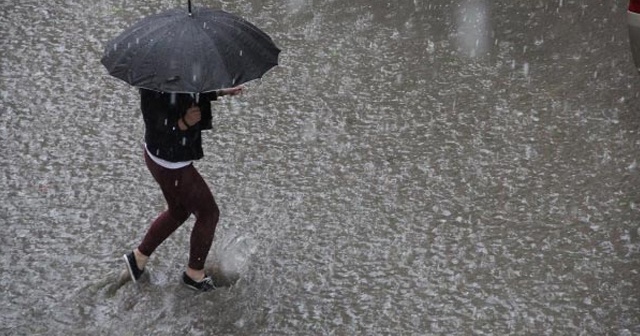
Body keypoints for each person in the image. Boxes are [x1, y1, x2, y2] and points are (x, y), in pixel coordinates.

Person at [123, 86, 243, 292]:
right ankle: (194, 274)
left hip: (159, 157)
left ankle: (138, 258)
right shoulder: (155, 84)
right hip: (171, 164)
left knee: (178, 211)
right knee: (208, 213)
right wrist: (183, 123)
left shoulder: (174, 74)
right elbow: (157, 122)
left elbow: (187, 92)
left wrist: (219, 92)